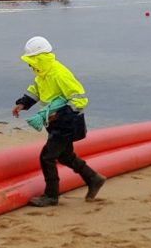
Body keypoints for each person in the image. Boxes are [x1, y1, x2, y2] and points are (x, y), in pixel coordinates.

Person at [12, 36, 106, 207]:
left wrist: (59, 116)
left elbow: (80, 99)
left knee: (47, 157)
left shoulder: (58, 73)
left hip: (67, 124)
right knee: (66, 156)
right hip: (56, 123)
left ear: (39, 59)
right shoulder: (43, 73)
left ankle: (51, 196)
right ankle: (94, 179)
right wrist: (22, 104)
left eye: (31, 61)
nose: (29, 65)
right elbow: (37, 90)